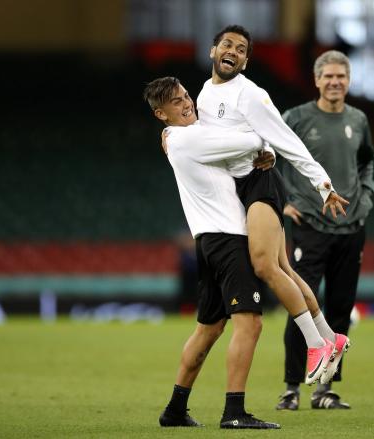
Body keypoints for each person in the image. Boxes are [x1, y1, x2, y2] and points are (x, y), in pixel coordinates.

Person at [197, 25, 351, 387]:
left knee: (265, 266)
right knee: (283, 269)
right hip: (234, 189)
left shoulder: (250, 94)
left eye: (241, 48)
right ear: (213, 51)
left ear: (246, 61)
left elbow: (287, 138)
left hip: (260, 184)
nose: (233, 50)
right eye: (227, 44)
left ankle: (316, 346)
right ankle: (332, 338)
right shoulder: (204, 94)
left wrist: (322, 184)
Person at [144, 76, 279, 429]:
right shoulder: (192, 137)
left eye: (186, 95)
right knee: (250, 323)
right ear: (161, 114)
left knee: (208, 329)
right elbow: (250, 139)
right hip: (228, 238)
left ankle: (174, 410)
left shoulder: (177, 138)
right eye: (176, 102)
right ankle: (234, 412)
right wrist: (264, 142)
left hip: (209, 241)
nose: (187, 103)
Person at [276, 50, 374, 410]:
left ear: (348, 81)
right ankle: (291, 389)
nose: (335, 82)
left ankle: (325, 390)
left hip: (351, 227)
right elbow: (267, 155)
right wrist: (283, 201)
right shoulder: (297, 118)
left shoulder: (359, 119)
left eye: (341, 77)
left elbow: (366, 164)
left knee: (340, 308)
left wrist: (365, 198)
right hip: (310, 225)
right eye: (328, 76)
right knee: (301, 304)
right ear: (317, 80)